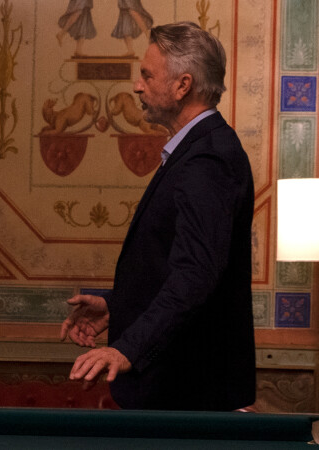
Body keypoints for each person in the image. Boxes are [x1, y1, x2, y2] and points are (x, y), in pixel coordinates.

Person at [60, 22, 256, 411]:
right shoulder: (197, 150)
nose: (137, 86)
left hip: (189, 396)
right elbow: (175, 268)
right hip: (179, 392)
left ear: (183, 85)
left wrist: (126, 349)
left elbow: (196, 276)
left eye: (147, 76)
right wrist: (118, 305)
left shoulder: (208, 158)